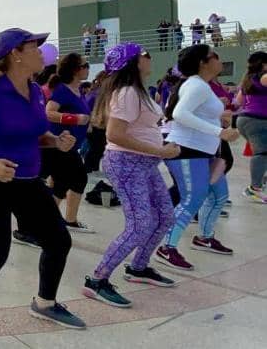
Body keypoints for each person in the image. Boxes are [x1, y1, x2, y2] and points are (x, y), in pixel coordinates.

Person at [0, 28, 86, 348]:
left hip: (27, 179)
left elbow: (34, 133)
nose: (42, 52)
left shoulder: (35, 90)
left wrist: (55, 141)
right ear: (16, 54)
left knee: (58, 240)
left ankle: (45, 303)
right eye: (35, 47)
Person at [81, 43, 180, 308]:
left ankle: (139, 267)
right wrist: (160, 150)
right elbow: (115, 134)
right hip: (126, 163)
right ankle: (97, 280)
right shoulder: (126, 93)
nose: (150, 58)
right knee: (139, 224)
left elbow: (143, 128)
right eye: (145, 55)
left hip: (145, 163)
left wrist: (161, 145)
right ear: (133, 62)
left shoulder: (138, 91)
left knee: (165, 216)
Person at [154, 45, 240, 270]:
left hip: (205, 151)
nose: (220, 60)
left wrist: (219, 120)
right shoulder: (196, 85)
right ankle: (167, 247)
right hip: (186, 150)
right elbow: (180, 114)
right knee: (192, 198)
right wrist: (219, 131)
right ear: (203, 62)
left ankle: (205, 237)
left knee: (219, 195)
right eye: (215, 56)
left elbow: (196, 114)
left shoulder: (201, 85)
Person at [41, 53, 95, 232]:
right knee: (75, 179)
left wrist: (86, 123)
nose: (88, 68)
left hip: (70, 145)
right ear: (75, 70)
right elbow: (49, 112)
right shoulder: (62, 90)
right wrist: (75, 119)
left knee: (66, 182)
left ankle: (62, 220)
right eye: (85, 65)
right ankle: (49, 221)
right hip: (59, 144)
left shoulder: (77, 91)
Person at [238, 52, 267, 203]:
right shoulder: (264, 76)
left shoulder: (248, 79)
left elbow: (239, 101)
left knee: (263, 153)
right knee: (262, 152)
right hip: (257, 121)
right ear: (264, 64)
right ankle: (254, 188)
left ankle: (261, 180)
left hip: (246, 119)